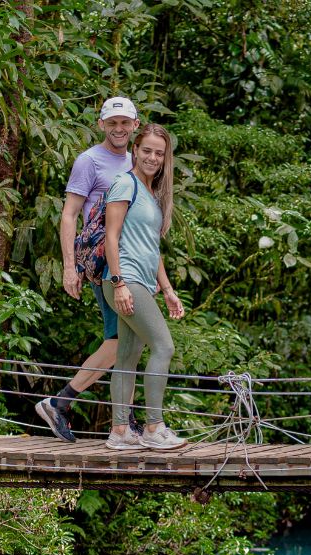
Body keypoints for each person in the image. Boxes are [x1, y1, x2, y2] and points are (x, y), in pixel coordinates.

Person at [35, 96, 142, 442]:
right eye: (112, 123)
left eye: (124, 123)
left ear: (135, 125)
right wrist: (70, 267)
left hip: (132, 262)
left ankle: (123, 421)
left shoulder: (138, 160)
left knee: (127, 342)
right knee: (120, 341)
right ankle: (61, 403)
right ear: (101, 125)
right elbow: (69, 215)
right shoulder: (89, 161)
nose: (118, 129)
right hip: (105, 263)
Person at [102, 122, 187, 451]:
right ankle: (154, 427)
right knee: (164, 347)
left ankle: (120, 431)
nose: (152, 157)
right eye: (147, 150)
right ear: (135, 150)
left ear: (165, 158)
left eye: (159, 153)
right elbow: (111, 237)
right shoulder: (125, 183)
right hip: (126, 280)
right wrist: (119, 282)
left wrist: (167, 290)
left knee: (127, 357)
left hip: (141, 282)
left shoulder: (151, 194)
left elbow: (152, 249)